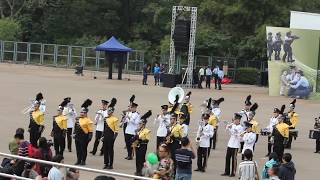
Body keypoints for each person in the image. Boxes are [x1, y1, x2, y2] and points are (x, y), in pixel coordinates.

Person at [221, 113, 243, 177]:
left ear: (239, 120)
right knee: (227, 158)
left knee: (234, 159)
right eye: (234, 119)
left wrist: (233, 130)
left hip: (235, 145)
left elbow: (240, 137)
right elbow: (227, 131)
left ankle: (233, 172)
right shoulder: (232, 125)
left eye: (236, 120)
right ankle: (227, 171)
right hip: (230, 144)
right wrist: (228, 127)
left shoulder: (240, 127)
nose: (235, 121)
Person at [74, 99, 93, 166]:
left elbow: (90, 130)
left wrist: (90, 137)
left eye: (83, 112)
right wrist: (74, 133)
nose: (81, 113)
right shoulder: (77, 119)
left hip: (84, 137)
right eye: (81, 112)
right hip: (77, 136)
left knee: (83, 149)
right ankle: (78, 160)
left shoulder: (88, 120)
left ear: (86, 113)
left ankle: (83, 161)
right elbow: (75, 127)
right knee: (78, 149)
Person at [132, 110, 152, 176]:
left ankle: (142, 171)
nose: (139, 125)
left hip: (143, 146)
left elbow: (147, 140)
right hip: (137, 146)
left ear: (143, 124)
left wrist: (139, 140)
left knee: (141, 159)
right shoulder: (138, 131)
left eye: (140, 124)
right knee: (137, 159)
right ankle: (138, 170)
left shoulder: (147, 131)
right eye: (139, 124)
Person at [103, 98, 119, 169]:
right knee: (105, 150)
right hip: (105, 136)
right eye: (108, 110)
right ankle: (106, 163)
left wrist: (114, 138)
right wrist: (102, 136)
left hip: (111, 136)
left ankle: (111, 164)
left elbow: (116, 130)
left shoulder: (115, 119)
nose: (108, 112)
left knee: (110, 151)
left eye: (109, 111)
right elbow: (104, 128)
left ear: (112, 112)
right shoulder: (105, 118)